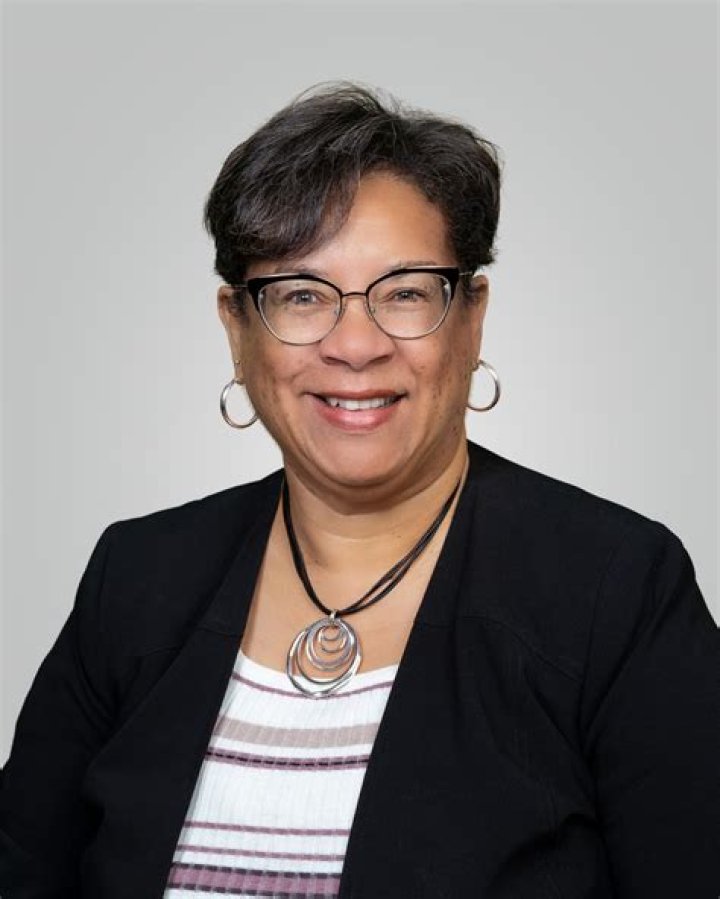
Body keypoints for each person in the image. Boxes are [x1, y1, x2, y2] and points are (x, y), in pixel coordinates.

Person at [1, 83, 718, 899]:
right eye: (302, 295)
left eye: (404, 292)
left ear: (471, 317)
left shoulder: (615, 589)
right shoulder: (136, 576)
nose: (354, 344)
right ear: (237, 328)